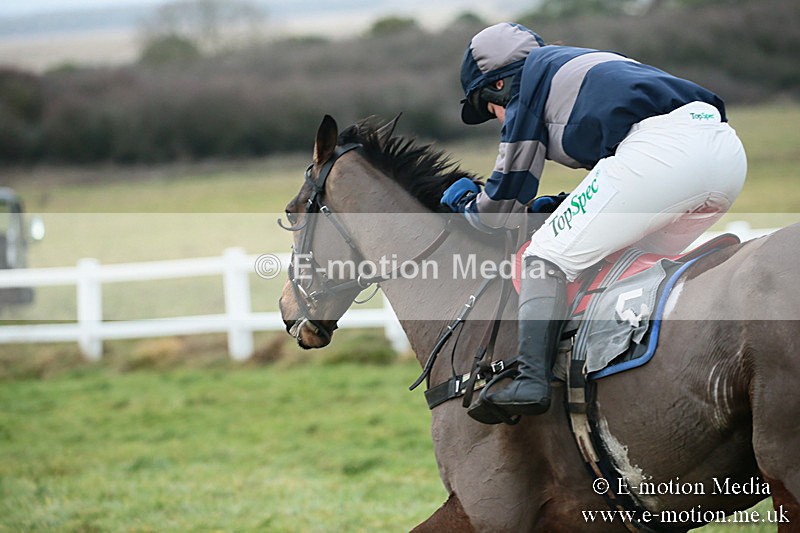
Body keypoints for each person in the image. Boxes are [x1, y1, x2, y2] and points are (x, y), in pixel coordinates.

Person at [441, 22, 746, 423]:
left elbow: (503, 201)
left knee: (542, 257)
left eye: (489, 108)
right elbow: (619, 169)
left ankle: (531, 380)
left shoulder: (527, 86)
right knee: (627, 261)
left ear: (499, 86)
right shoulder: (575, 62)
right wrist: (559, 205)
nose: (499, 119)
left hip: (664, 157)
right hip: (724, 153)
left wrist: (467, 205)